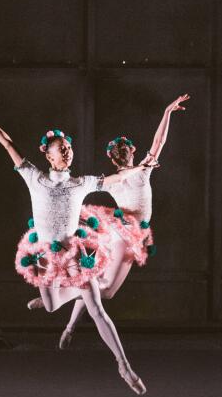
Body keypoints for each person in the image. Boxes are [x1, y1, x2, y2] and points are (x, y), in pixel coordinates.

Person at [0, 112, 146, 394]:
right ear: (48, 156)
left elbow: (116, 178)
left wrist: (143, 167)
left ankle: (124, 366)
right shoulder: (34, 178)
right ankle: (60, 296)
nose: (67, 152)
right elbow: (9, 145)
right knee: (51, 307)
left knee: (97, 308)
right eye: (61, 149)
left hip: (74, 254)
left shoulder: (81, 183)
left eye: (69, 148)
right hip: (45, 256)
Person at [59, 94, 189, 349]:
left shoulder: (140, 170)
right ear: (125, 154)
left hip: (116, 232)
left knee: (93, 278)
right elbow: (157, 142)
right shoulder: (134, 173)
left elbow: (158, 141)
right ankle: (64, 298)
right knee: (106, 291)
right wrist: (167, 111)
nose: (123, 152)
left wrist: (167, 111)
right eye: (121, 150)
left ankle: (69, 326)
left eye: (122, 149)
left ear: (124, 154)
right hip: (124, 235)